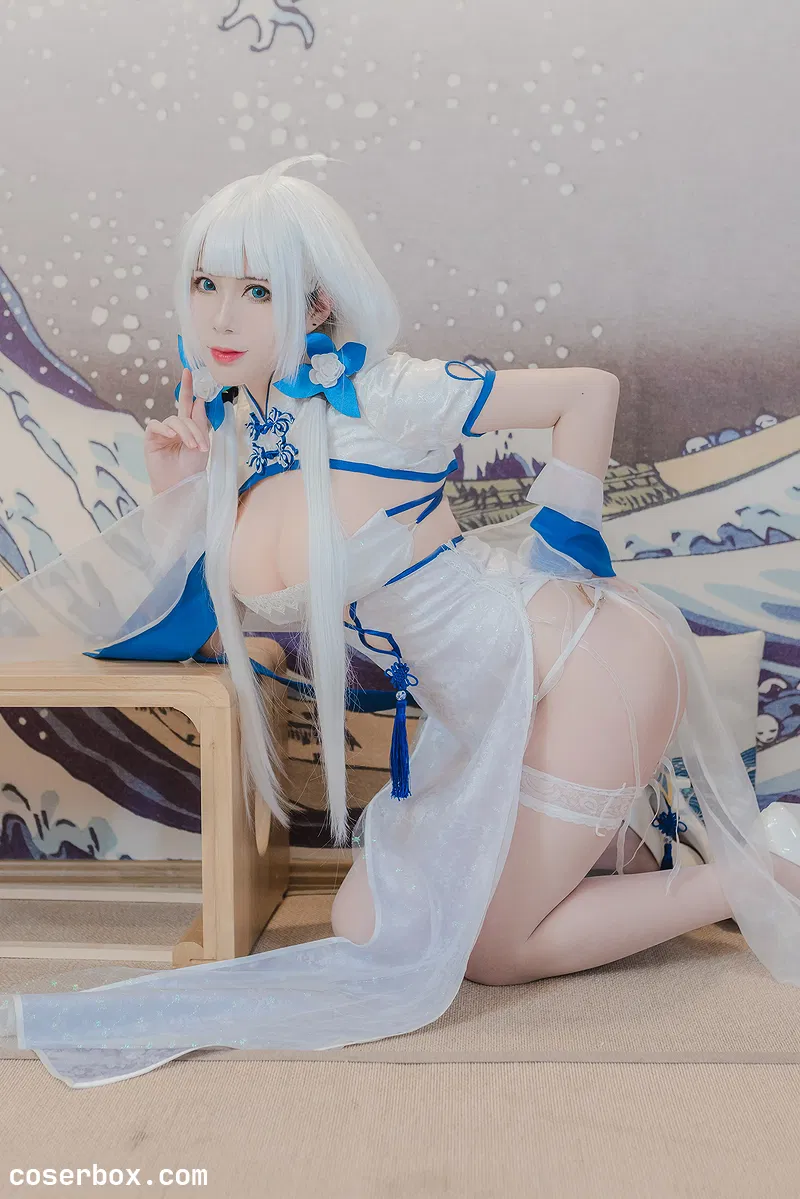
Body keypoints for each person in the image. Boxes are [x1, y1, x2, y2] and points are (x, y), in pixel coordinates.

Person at [1, 156, 799, 1090]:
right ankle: (626, 859)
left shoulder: (384, 393)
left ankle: (761, 868)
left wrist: (562, 555)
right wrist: (177, 490)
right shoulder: (236, 440)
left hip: (575, 666)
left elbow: (588, 391)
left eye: (257, 290)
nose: (220, 317)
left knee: (492, 950)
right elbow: (182, 635)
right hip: (475, 715)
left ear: (316, 305)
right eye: (206, 284)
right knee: (367, 925)